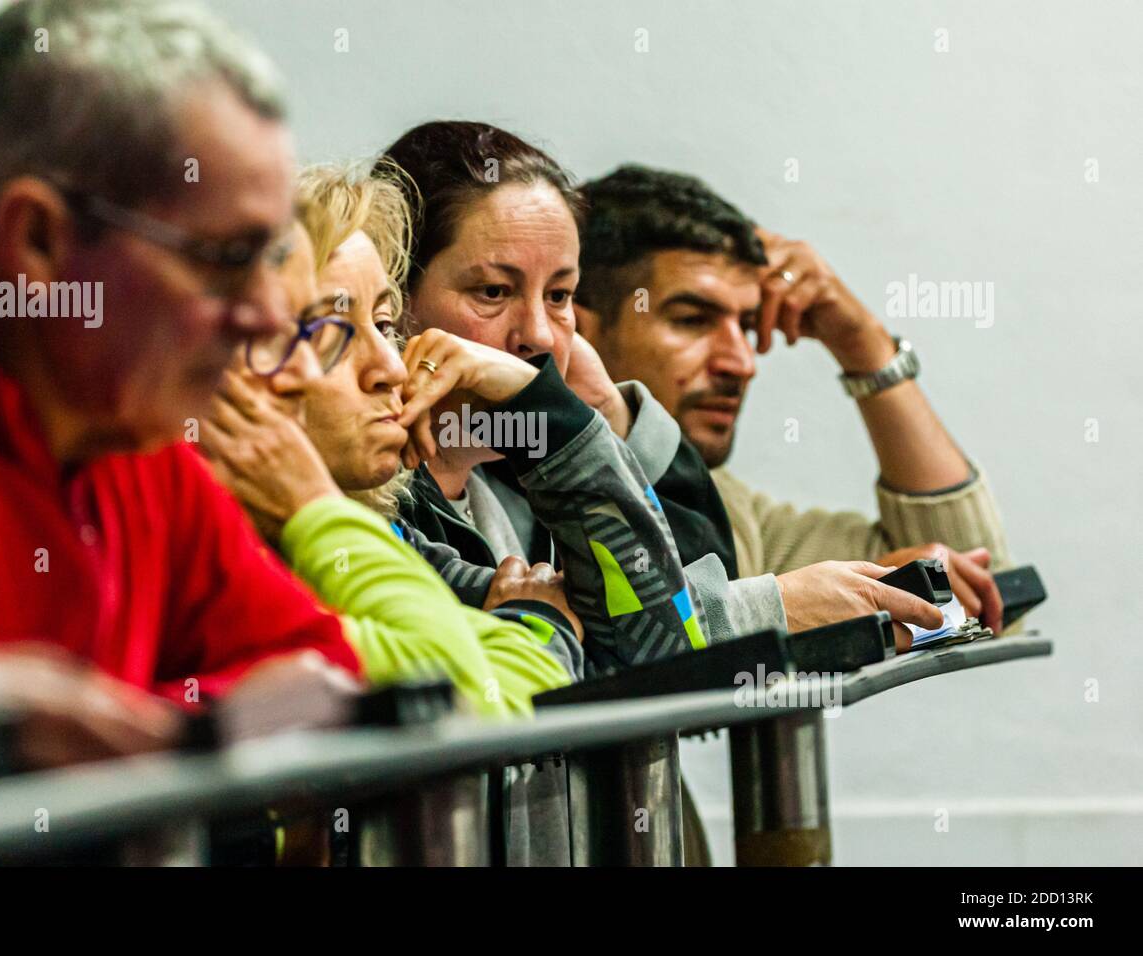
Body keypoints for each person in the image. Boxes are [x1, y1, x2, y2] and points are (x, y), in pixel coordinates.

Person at [0, 0, 440, 766]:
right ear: (39, 240)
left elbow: (314, 665)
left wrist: (139, 735)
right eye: (224, 258)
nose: (268, 319)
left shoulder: (129, 430)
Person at [378, 121, 944, 654]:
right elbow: (628, 650)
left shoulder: (529, 475)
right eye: (494, 291)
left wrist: (606, 413)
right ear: (395, 301)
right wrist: (771, 610)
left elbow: (696, 572)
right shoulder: (370, 496)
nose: (541, 337)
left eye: (558, 296)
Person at [201, 166, 572, 714]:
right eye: (325, 331)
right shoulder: (218, 563)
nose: (390, 369)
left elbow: (649, 623)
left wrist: (556, 409)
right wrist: (537, 627)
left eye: (384, 324)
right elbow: (465, 711)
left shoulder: (387, 533)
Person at [574, 165, 1008, 630]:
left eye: (744, 325)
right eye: (691, 320)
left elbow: (980, 591)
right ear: (577, 330)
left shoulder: (728, 507)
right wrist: (774, 610)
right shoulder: (515, 499)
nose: (742, 362)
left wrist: (863, 345)